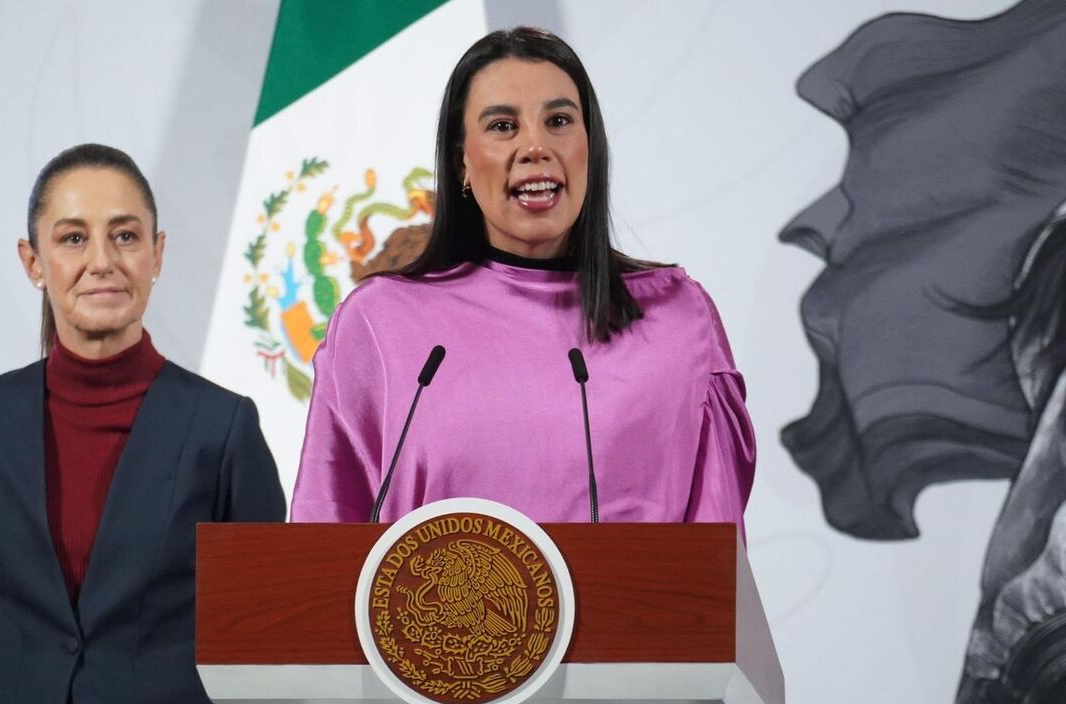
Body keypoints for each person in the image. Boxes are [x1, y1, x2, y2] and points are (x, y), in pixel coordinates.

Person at [290, 28, 755, 527]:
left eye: (558, 121)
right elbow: (322, 543)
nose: (535, 146)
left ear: (591, 148)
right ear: (461, 160)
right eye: (503, 126)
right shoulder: (379, 323)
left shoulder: (678, 318)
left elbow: (713, 557)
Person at [0, 143, 285, 704]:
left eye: (125, 236)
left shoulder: (223, 428)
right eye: (73, 238)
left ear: (156, 254)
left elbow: (261, 631)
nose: (102, 261)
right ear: (33, 261)